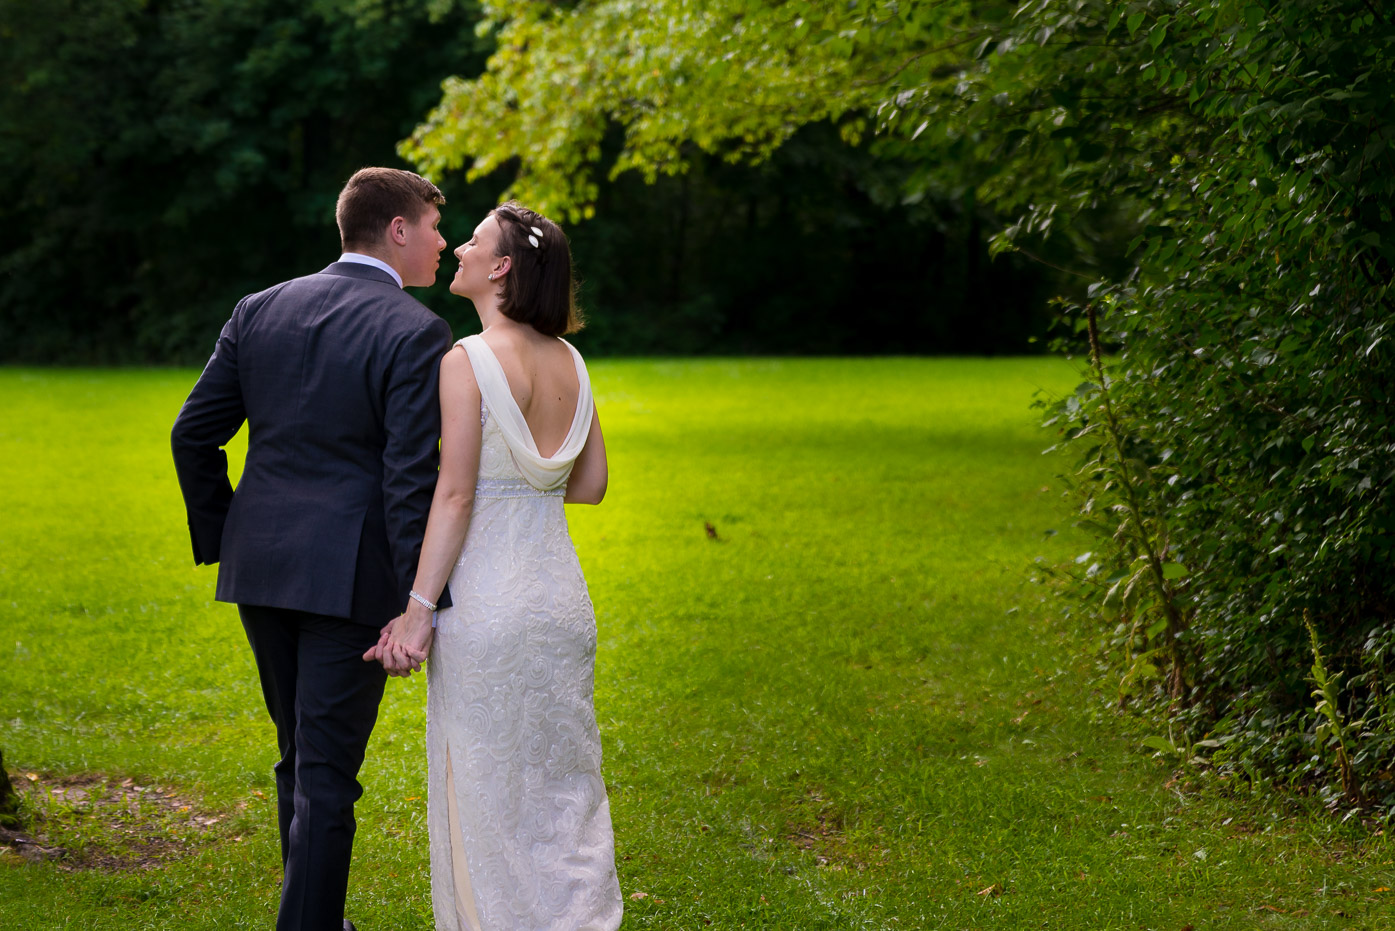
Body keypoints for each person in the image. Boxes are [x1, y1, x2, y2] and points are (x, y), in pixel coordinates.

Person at [170, 167, 453, 931]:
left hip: (259, 567)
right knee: (325, 774)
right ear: (397, 229)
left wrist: (227, 533)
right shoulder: (415, 331)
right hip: (348, 578)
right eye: (433, 226)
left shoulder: (259, 307)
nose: (442, 242)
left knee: (301, 755)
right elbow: (406, 478)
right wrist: (418, 599)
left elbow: (193, 434)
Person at [364, 202, 622, 930]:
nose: (459, 250)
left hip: (488, 602)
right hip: (559, 600)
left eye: (473, 241)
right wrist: (529, 479)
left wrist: (416, 610)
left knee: (486, 788)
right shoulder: (572, 360)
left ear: (502, 266)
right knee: (564, 785)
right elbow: (590, 483)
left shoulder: (466, 358)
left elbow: (453, 493)